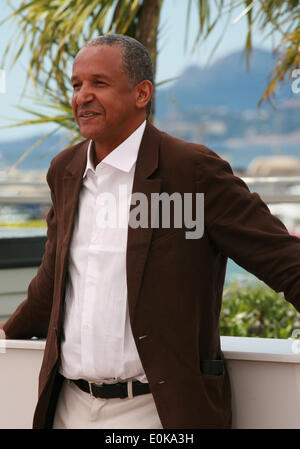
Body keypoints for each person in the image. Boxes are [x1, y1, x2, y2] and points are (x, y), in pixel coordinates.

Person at [1, 34, 300, 430]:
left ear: (141, 94)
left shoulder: (191, 171)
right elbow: (55, 279)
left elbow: (283, 261)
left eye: (99, 83)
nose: (82, 96)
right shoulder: (65, 170)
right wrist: (9, 329)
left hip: (157, 414)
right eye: (76, 85)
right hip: (67, 406)